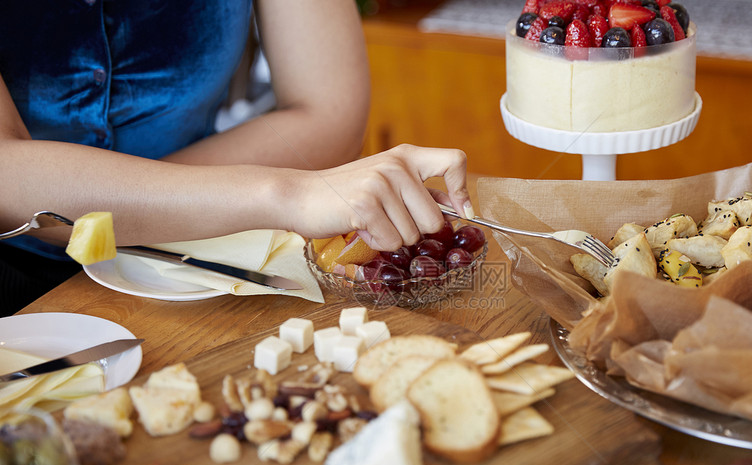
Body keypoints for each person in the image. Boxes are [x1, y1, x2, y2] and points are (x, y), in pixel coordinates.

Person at [0, 0, 471, 314]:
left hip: (203, 264)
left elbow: (329, 114)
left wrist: (143, 206)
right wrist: (286, 194)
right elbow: (8, 177)